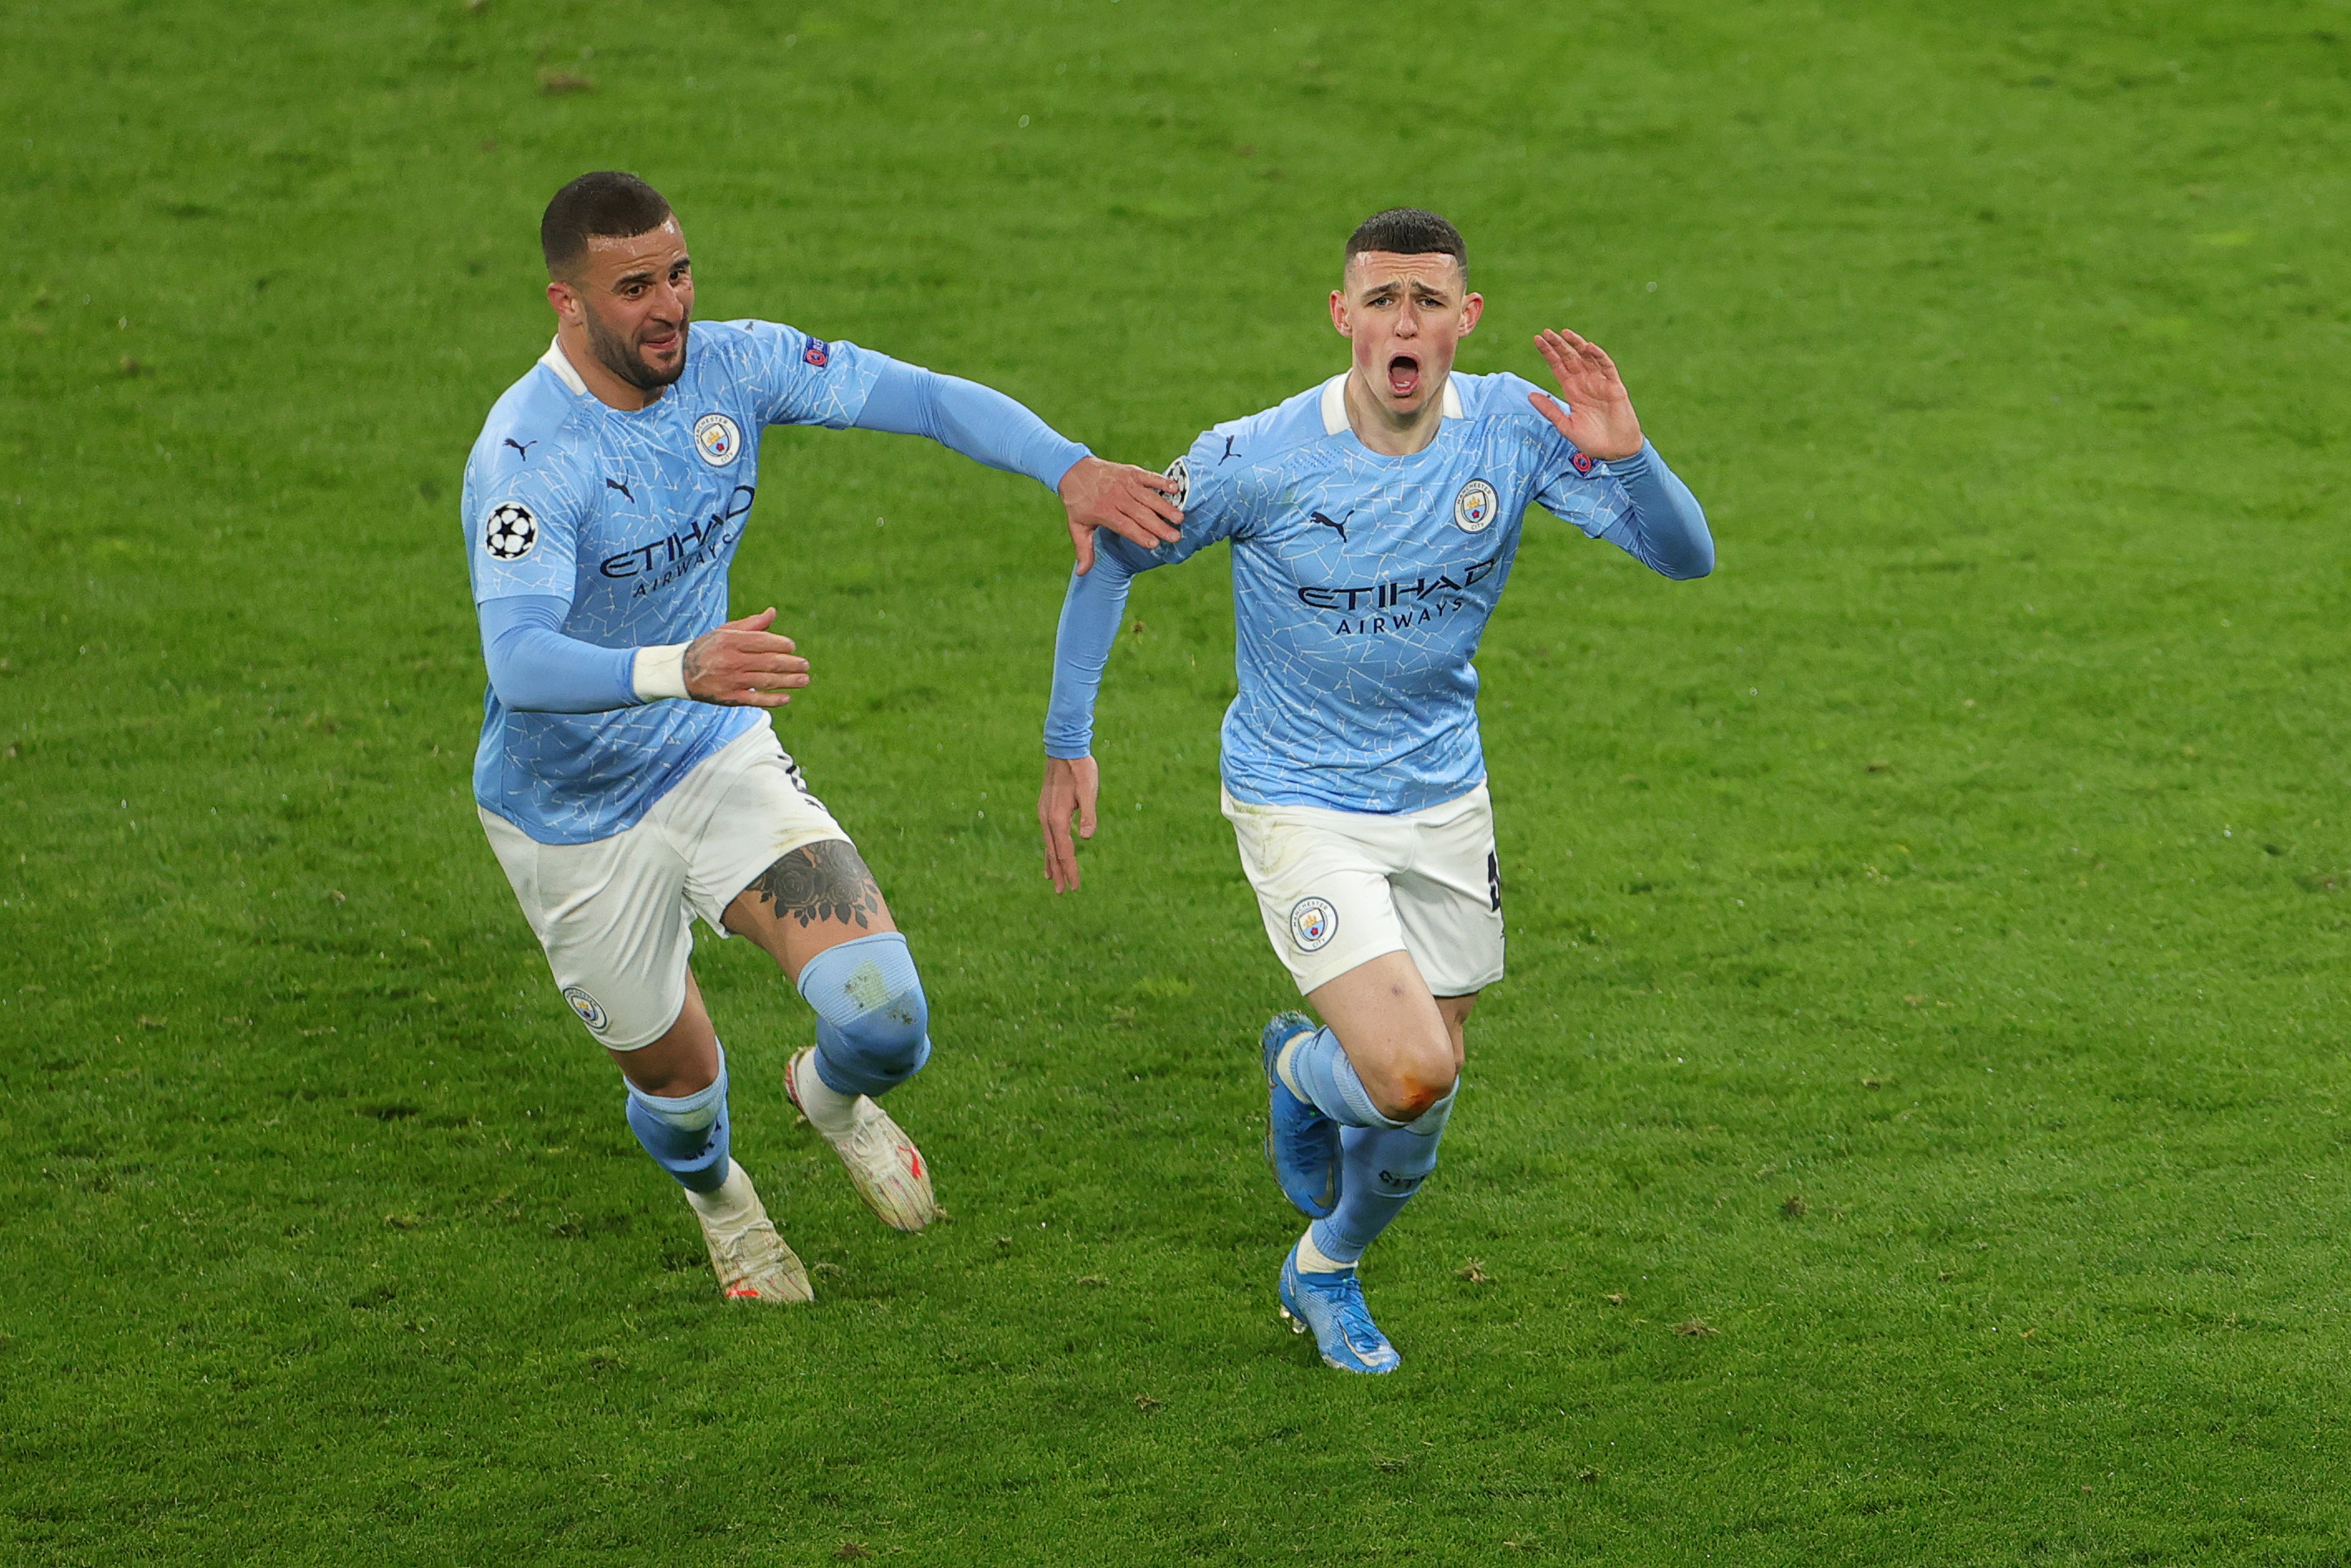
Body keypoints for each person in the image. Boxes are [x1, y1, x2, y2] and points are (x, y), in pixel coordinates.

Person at [463, 171, 1180, 1302]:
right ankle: (723, 1204)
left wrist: (1073, 468)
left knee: (887, 1017)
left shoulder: (734, 366)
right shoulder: (526, 457)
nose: (671, 307)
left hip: (709, 753)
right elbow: (519, 662)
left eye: (680, 273)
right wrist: (678, 665)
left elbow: (927, 397)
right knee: (683, 1087)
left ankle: (829, 1095)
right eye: (635, 286)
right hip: (569, 818)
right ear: (567, 302)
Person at [1035, 208, 1713, 1370]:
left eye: (1429, 300)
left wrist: (1631, 451)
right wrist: (1067, 738)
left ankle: (1325, 1262)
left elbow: (1682, 554)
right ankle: (1300, 1070)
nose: (1407, 320)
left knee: (1420, 1099)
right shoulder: (1261, 457)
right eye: (1384, 298)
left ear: (1466, 318)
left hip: (1444, 791)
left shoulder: (1511, 428)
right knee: (1409, 1071)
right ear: (1343, 315)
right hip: (1298, 795)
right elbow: (1115, 553)